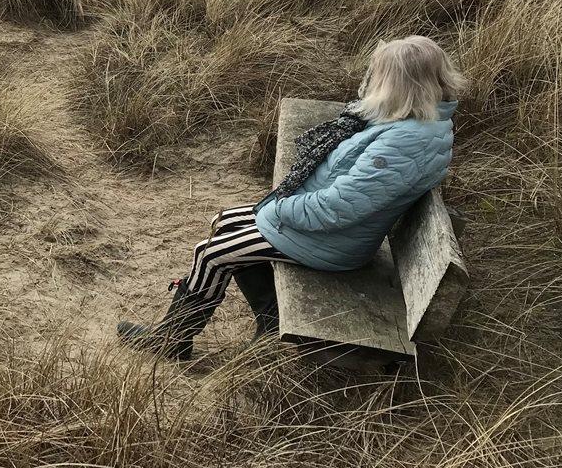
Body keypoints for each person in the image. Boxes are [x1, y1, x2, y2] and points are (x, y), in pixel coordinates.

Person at [118, 35, 466, 360]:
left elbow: (336, 208)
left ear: (402, 87)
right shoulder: (420, 119)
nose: (374, 83)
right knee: (223, 223)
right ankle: (269, 322)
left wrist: (279, 208)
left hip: (333, 241)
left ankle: (173, 341)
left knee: (211, 254)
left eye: (381, 77)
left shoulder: (405, 142)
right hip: (334, 228)